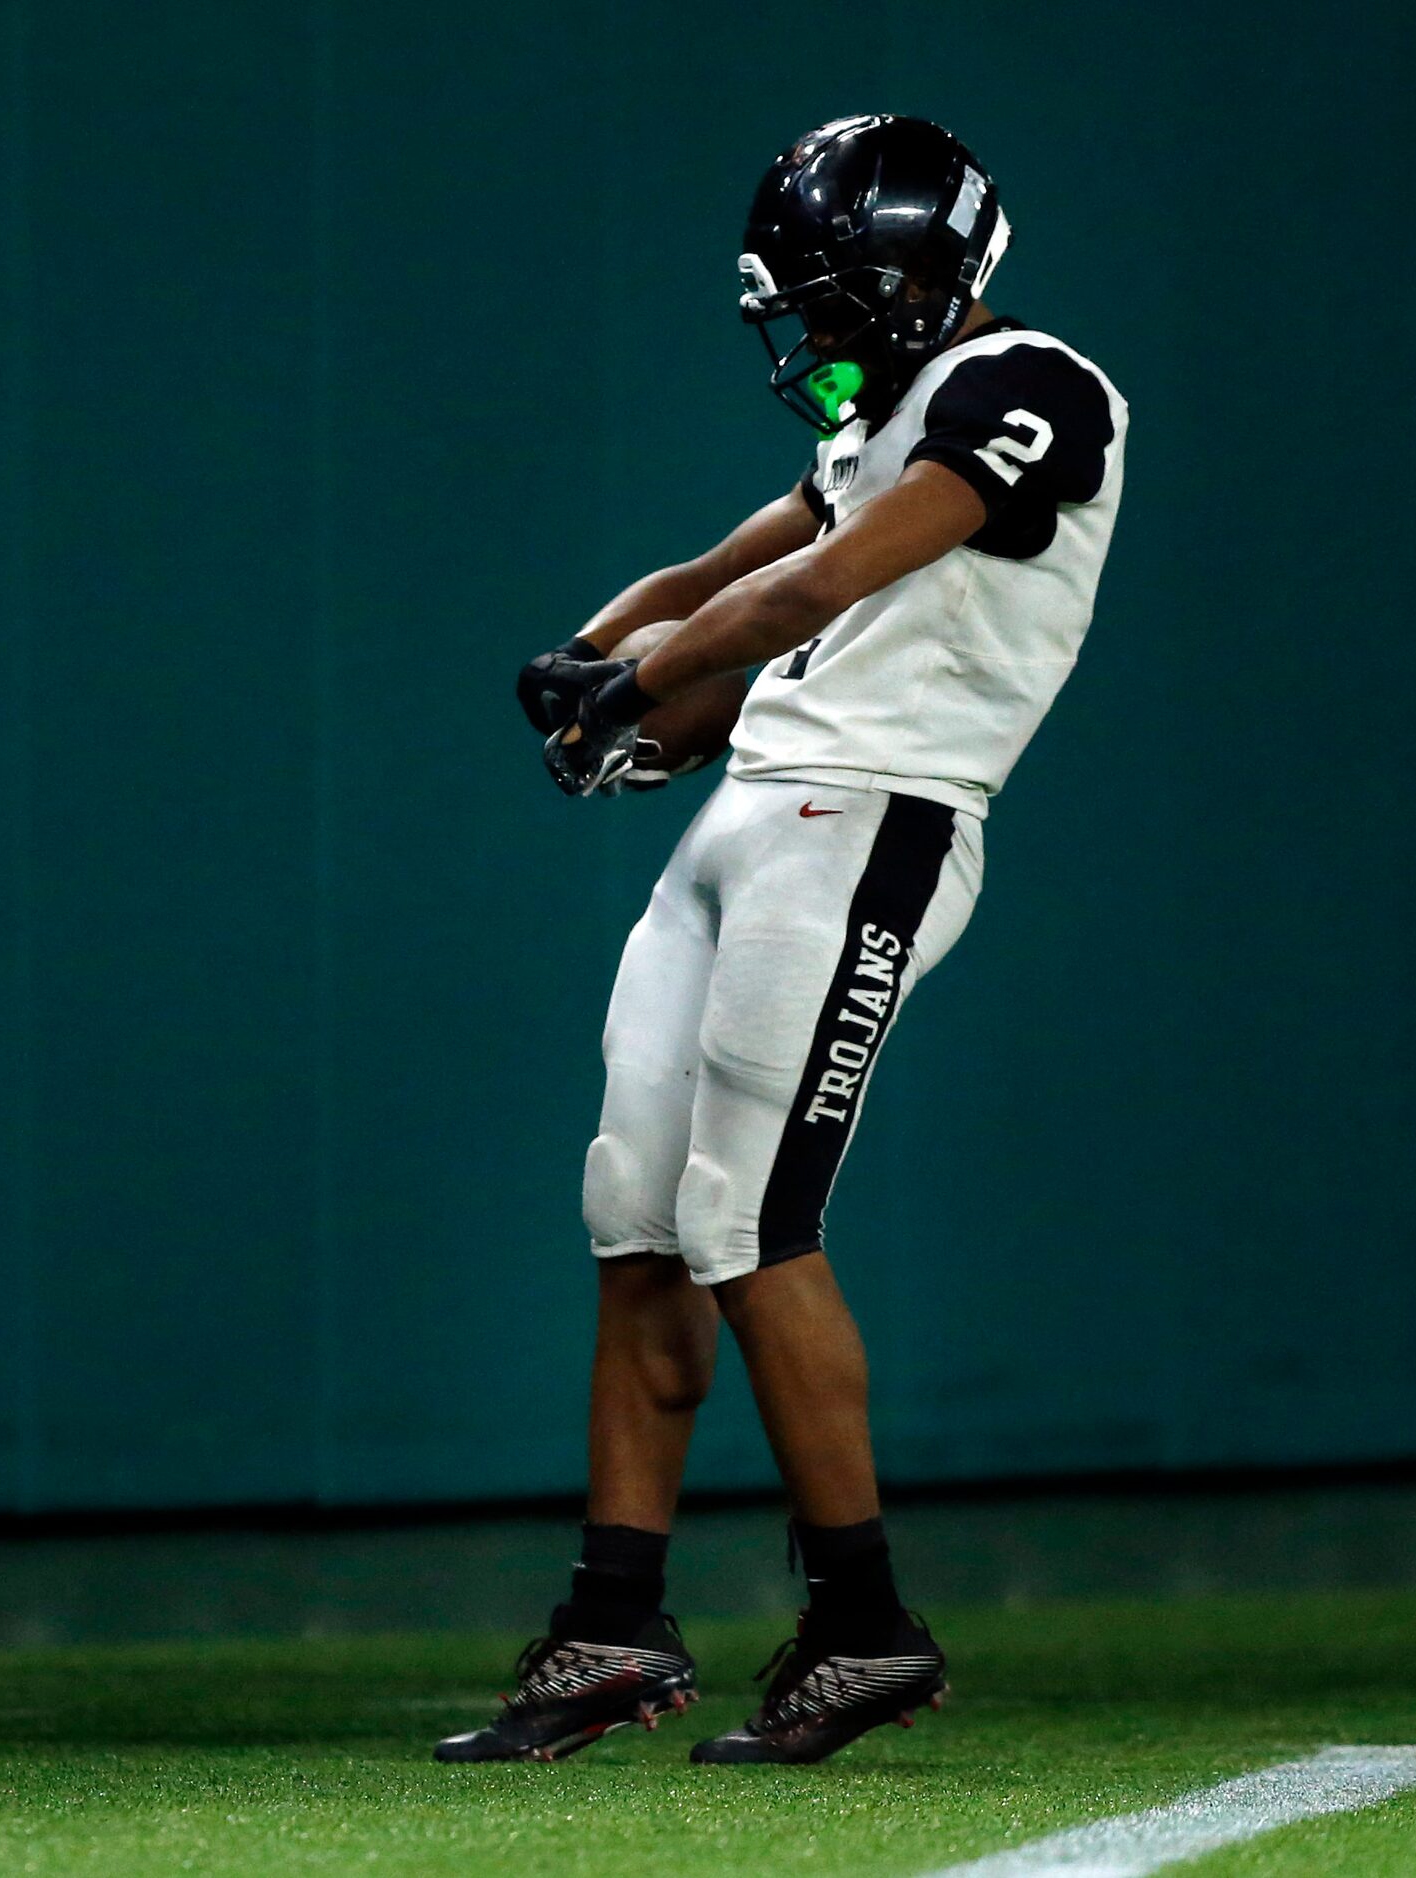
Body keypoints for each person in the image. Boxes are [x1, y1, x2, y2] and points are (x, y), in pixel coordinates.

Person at [439, 114, 1130, 1766]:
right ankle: (612, 1620)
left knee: (749, 1215)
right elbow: (721, 568)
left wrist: (640, 677)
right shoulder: (878, 425)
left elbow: (814, 591)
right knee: (636, 1213)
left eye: (830, 297)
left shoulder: (1030, 385)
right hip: (762, 810)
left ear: (912, 272)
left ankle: (861, 1622)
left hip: (877, 818)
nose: (811, 332)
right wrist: (596, 657)